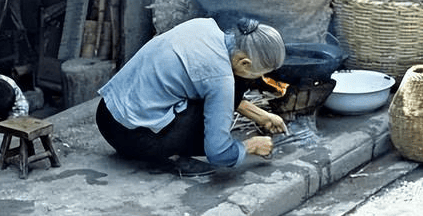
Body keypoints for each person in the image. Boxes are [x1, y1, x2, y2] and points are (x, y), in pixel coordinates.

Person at [95, 17, 288, 171]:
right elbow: (218, 155)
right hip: (133, 139)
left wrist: (261, 115)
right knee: (232, 89)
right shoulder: (221, 78)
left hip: (105, 114)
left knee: (221, 90)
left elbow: (203, 80)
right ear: (244, 62)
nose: (261, 77)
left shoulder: (204, 26)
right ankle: (168, 156)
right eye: (258, 72)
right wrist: (251, 145)